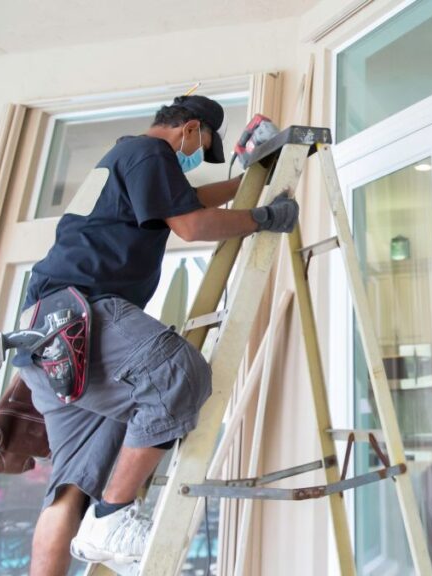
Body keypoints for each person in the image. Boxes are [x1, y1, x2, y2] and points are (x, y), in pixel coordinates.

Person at [16, 94, 298, 575]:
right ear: (189, 128)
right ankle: (111, 518)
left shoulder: (125, 159)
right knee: (178, 374)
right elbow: (190, 224)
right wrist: (260, 220)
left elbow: (190, 202)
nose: (195, 157)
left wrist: (252, 180)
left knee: (71, 486)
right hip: (77, 319)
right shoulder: (150, 154)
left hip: (46, 334)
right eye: (202, 145)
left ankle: (95, 519)